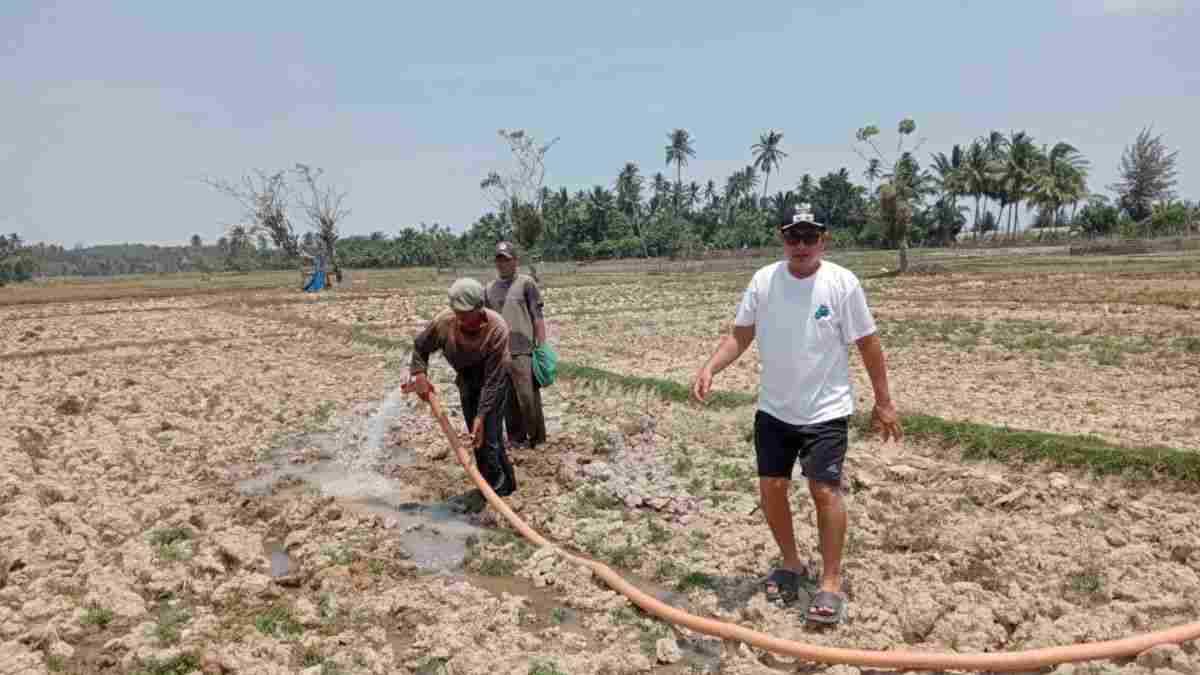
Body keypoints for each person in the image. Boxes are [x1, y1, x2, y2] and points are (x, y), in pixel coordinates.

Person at [690, 203, 902, 625]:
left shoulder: (842, 284)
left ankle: (830, 584)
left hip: (825, 410)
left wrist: (883, 401)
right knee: (771, 487)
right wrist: (710, 367)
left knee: (824, 491)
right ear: (782, 238)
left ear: (823, 239)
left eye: (810, 236)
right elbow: (741, 334)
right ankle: (791, 564)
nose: (801, 245)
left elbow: (868, 343)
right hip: (774, 408)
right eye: (793, 237)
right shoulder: (764, 281)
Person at [405, 277, 517, 499]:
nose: (461, 319)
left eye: (466, 313)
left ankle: (502, 489)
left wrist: (481, 416)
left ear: (479, 307)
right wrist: (419, 375)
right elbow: (420, 346)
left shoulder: (497, 329)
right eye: (458, 313)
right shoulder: (444, 323)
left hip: (493, 381)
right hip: (466, 380)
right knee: (477, 438)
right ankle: (489, 486)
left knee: (490, 436)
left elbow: (493, 381)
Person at [484, 241, 548, 450]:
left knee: (528, 397)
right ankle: (516, 438)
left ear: (515, 261)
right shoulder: (489, 289)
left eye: (506, 260)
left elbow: (537, 316)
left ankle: (537, 438)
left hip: (524, 349)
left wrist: (542, 346)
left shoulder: (526, 283)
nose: (502, 264)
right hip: (500, 350)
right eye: (499, 260)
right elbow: (487, 321)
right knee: (508, 399)